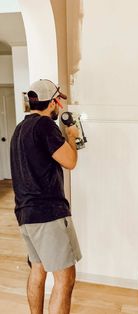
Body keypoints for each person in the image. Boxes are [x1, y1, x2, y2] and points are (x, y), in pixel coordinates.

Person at [10, 79, 82, 314]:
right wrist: (70, 135)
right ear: (52, 103)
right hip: (48, 215)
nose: (60, 105)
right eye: (58, 100)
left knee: (38, 270)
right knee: (65, 278)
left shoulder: (19, 130)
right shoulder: (44, 126)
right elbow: (70, 161)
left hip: (26, 215)